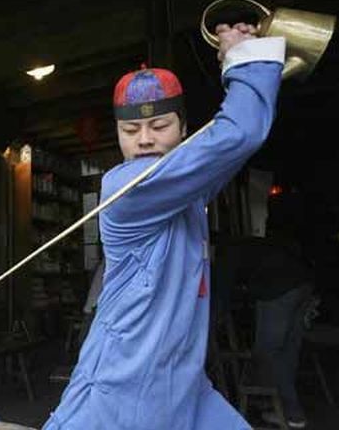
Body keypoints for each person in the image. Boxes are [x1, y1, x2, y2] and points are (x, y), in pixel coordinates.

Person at [43, 24, 285, 430]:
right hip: (124, 384)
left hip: (182, 382)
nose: (144, 141)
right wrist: (246, 61)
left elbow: (222, 153)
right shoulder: (127, 188)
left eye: (159, 127)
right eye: (130, 130)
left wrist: (237, 58)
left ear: (185, 129)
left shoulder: (185, 188)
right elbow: (239, 134)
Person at [213, 213, 313, 428]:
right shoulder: (245, 245)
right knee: (289, 350)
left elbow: (221, 294)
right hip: (302, 283)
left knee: (268, 352)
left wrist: (214, 319)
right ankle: (287, 411)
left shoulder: (226, 254)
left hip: (278, 289)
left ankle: (291, 411)